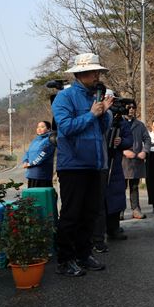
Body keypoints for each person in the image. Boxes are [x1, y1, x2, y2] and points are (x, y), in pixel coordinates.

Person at [52, 53, 112, 277]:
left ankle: (83, 255)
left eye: (98, 72)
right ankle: (65, 260)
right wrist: (91, 114)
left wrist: (104, 112)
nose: (97, 75)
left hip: (95, 164)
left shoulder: (95, 97)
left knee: (90, 213)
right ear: (80, 74)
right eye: (93, 72)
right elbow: (65, 128)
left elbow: (103, 128)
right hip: (73, 165)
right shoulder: (64, 98)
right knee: (71, 214)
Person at [93, 101, 132, 253]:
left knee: (115, 196)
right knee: (99, 199)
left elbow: (129, 139)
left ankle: (114, 228)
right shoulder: (96, 115)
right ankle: (97, 233)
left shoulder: (120, 120)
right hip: (99, 161)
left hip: (115, 162)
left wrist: (121, 141)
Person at [122, 101, 151, 220]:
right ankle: (119, 210)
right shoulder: (119, 123)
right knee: (120, 188)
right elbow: (113, 139)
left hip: (137, 160)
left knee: (134, 187)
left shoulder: (140, 125)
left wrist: (145, 151)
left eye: (133, 107)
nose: (131, 110)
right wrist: (123, 151)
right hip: (122, 161)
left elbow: (147, 139)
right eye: (129, 107)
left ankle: (136, 209)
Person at [22, 120, 56, 188]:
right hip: (31, 174)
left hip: (42, 175)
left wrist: (30, 164)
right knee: (31, 197)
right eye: (38, 127)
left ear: (48, 129)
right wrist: (25, 161)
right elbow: (28, 152)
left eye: (42, 127)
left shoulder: (49, 140)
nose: (39, 129)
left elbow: (42, 155)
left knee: (41, 196)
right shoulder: (35, 140)